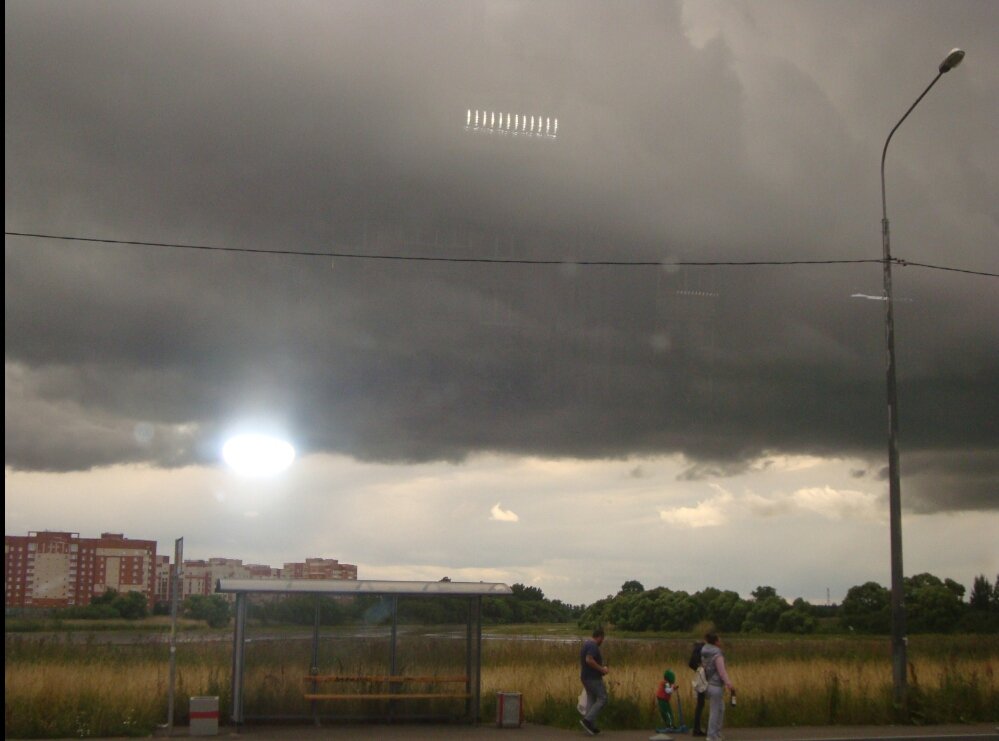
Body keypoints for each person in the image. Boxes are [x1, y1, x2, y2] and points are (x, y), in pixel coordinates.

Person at [700, 632, 735, 741]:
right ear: (715, 642)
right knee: (715, 711)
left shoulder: (705, 654)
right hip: (716, 686)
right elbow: (722, 672)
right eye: (719, 640)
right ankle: (711, 736)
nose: (720, 642)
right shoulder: (717, 655)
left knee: (721, 709)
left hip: (709, 684)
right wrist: (730, 684)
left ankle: (717, 733)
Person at [579, 627, 609, 735]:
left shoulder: (586, 644)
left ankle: (590, 725)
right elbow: (589, 659)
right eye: (602, 639)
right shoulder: (593, 646)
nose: (602, 641)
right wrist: (602, 669)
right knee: (603, 698)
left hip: (585, 677)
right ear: (600, 637)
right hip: (593, 678)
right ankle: (587, 721)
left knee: (591, 699)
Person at [688, 639, 707, 736]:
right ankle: (697, 729)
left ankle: (697, 728)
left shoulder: (697, 650)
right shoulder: (703, 650)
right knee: (700, 705)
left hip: (699, 679)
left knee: (699, 705)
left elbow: (691, 664)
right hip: (703, 681)